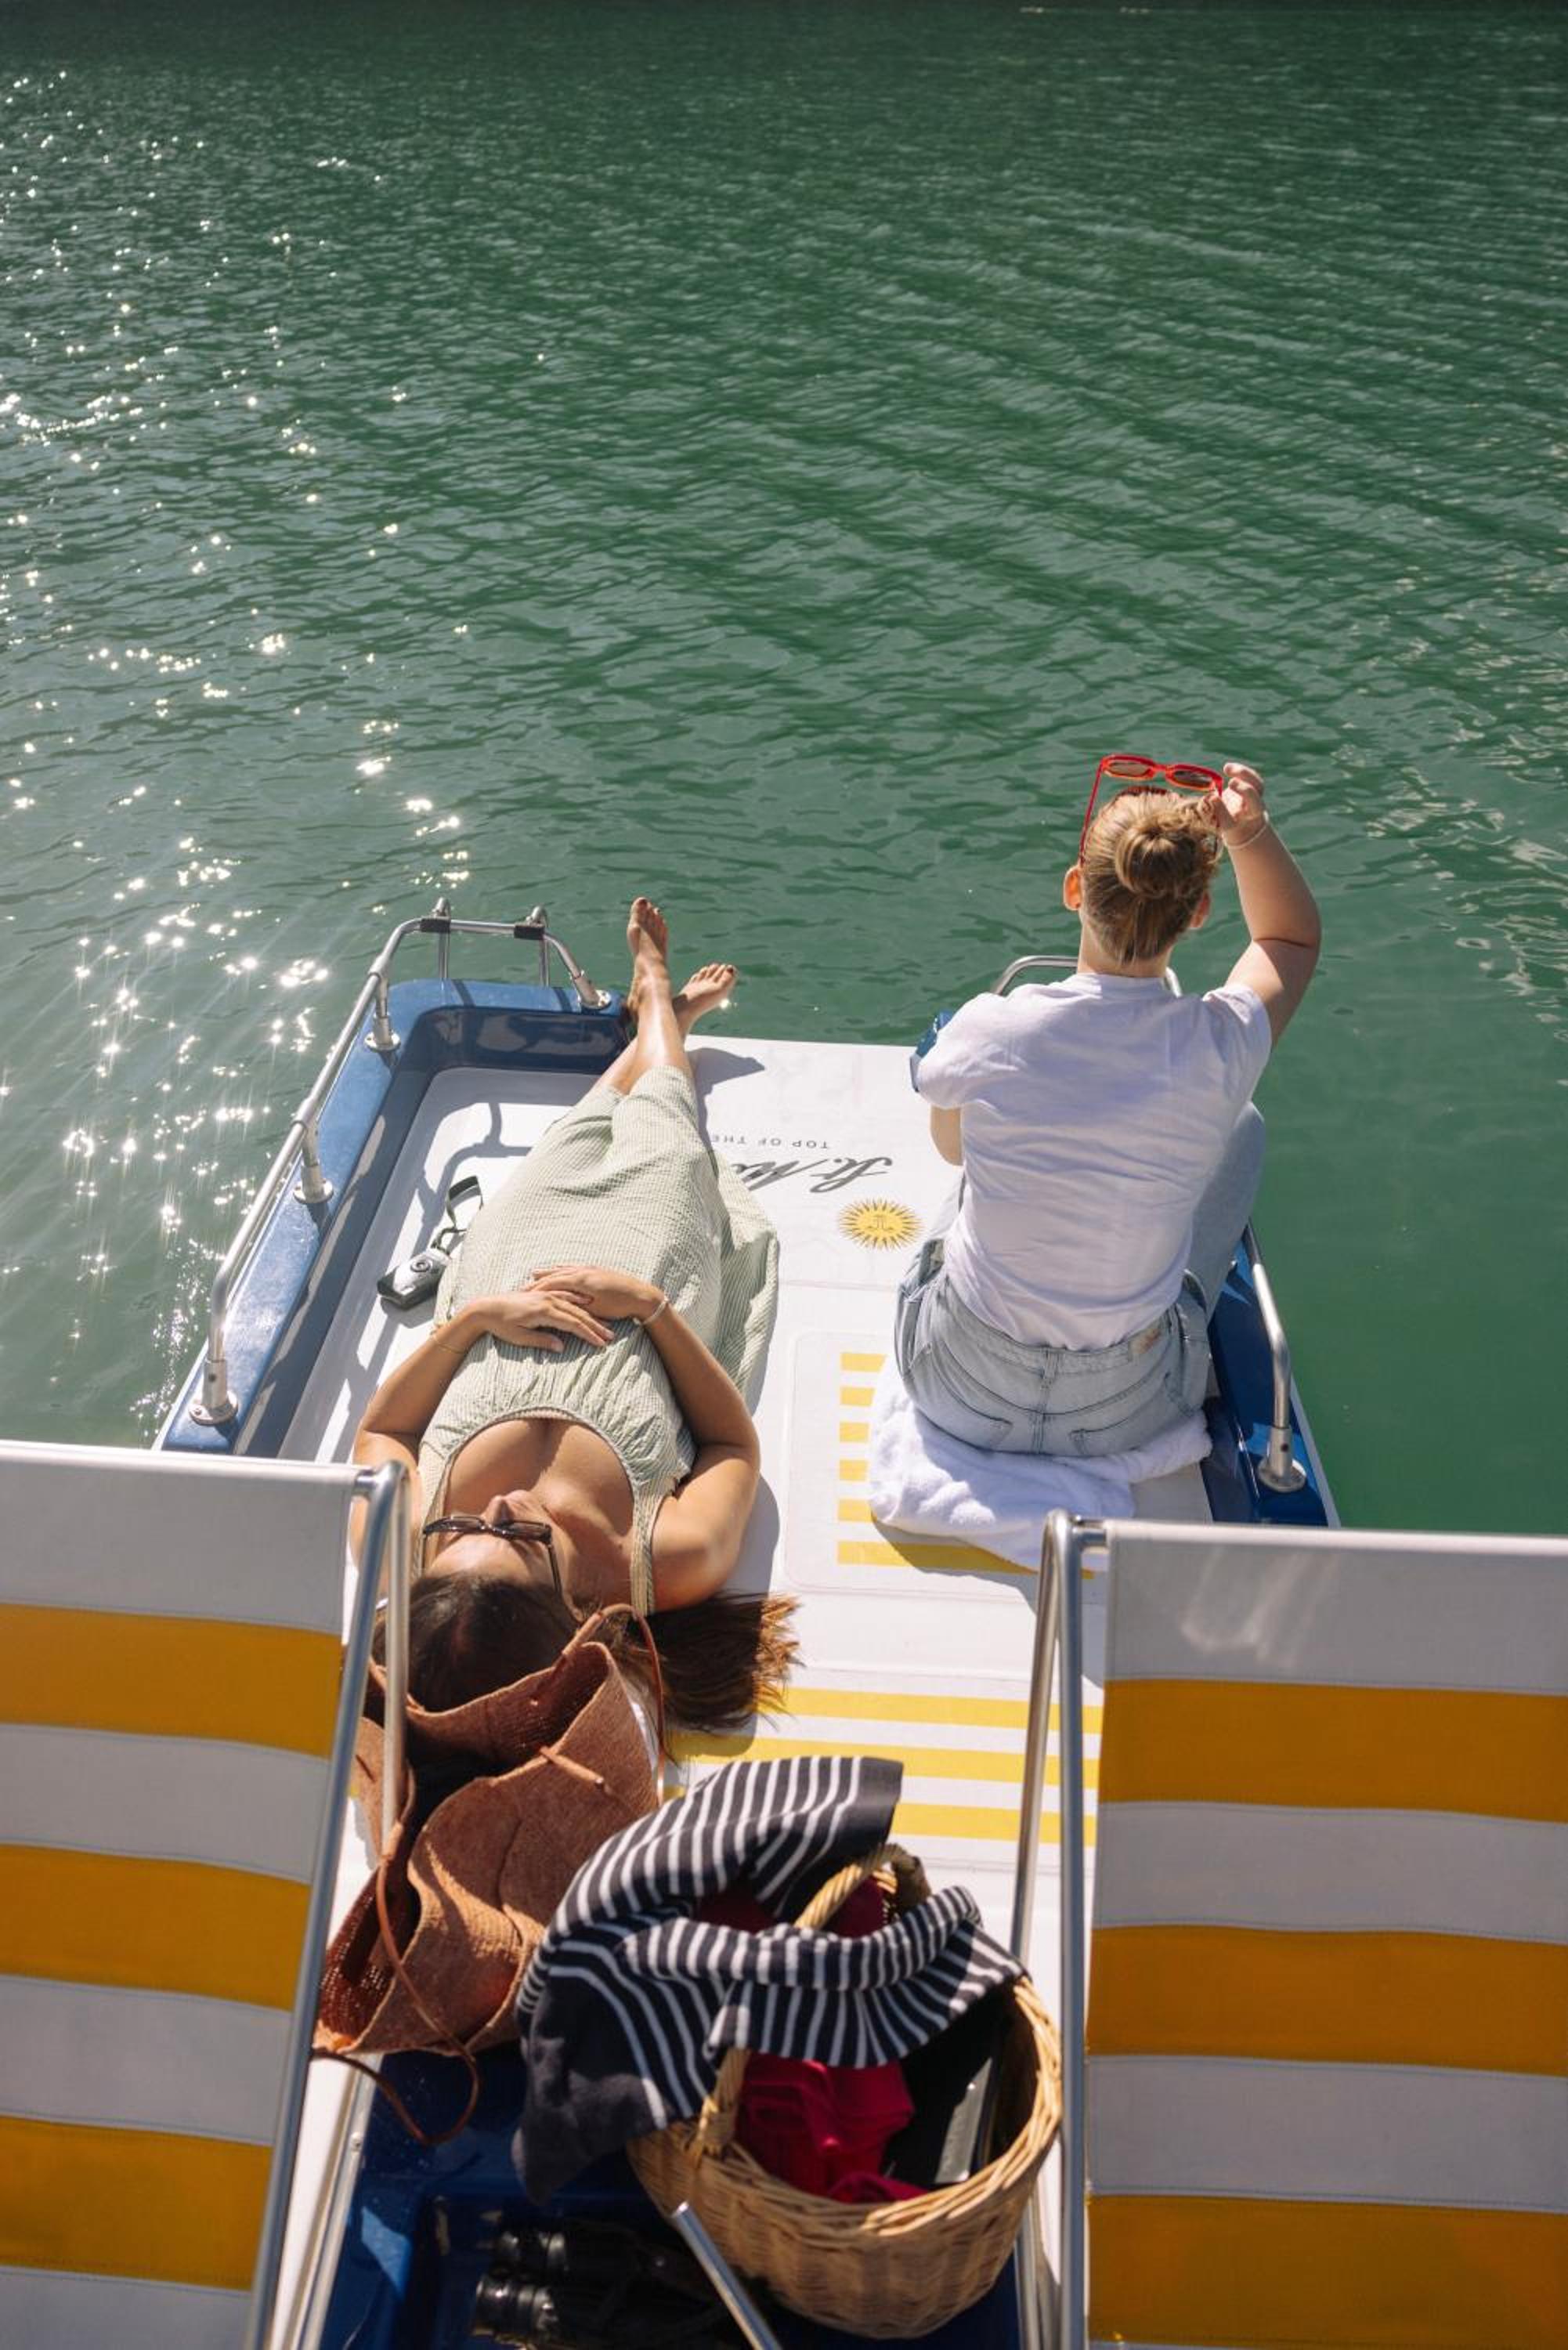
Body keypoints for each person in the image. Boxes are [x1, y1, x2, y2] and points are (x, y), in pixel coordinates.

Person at [354, 897, 793, 1728]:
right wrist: (649, 1307)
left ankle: (661, 1019)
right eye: (522, 1543)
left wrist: (473, 1320)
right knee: (667, 1134)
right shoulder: (667, 1559)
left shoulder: (397, 1541)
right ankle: (659, 1003)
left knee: (571, 1139)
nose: (503, 1509)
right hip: (645, 1281)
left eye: (465, 1528)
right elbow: (733, 1446)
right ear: (568, 1620)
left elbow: (382, 1433)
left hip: (509, 1278)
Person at [898, 762, 1321, 1458]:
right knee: (1241, 1124)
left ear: (1075, 889)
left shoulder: (990, 1030)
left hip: (957, 1388)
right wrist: (1249, 832)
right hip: (1127, 1410)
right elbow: (1290, 939)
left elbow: (952, 1150)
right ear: (1197, 914)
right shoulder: (1220, 1044)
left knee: (977, 1153)